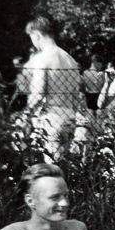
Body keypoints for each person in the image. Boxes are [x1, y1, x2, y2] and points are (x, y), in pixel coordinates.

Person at [23, 17, 86, 160]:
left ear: (36, 35)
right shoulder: (70, 60)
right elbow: (76, 95)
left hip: (52, 117)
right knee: (64, 165)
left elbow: (38, 93)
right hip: (69, 116)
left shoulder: (42, 58)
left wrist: (25, 115)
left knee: (50, 167)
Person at [82, 55, 106, 120]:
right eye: (101, 64)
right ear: (96, 63)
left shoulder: (85, 73)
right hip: (98, 95)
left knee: (90, 115)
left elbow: (83, 86)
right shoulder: (101, 74)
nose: (101, 66)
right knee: (99, 115)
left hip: (88, 95)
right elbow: (102, 85)